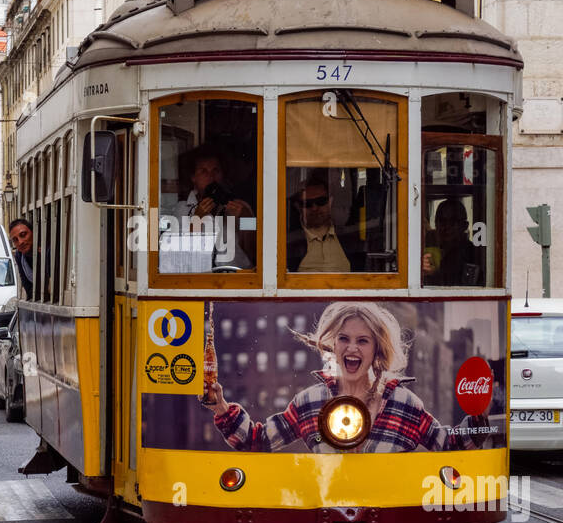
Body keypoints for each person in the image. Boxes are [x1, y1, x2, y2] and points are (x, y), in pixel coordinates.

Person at [208, 301, 491, 454]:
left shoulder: (406, 405)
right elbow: (257, 441)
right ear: (334, 345)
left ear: (377, 349)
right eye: (344, 339)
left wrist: (480, 414)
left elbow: (448, 444)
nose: (352, 347)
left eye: (363, 341)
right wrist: (220, 406)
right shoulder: (310, 402)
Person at [162, 146, 255, 271]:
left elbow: (254, 251)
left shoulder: (241, 206)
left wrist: (246, 217)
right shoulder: (182, 209)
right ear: (193, 177)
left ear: (222, 175)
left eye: (216, 170)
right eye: (204, 171)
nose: (211, 176)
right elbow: (178, 256)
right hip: (200, 281)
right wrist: (197, 218)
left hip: (237, 279)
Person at [286, 172, 365, 273]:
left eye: (321, 201)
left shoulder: (349, 237)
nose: (315, 208)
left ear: (330, 201)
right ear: (298, 207)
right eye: (308, 204)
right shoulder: (288, 243)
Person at [422, 199, 485, 286]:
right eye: (442, 221)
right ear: (436, 224)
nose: (447, 227)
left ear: (464, 225)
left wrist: (433, 274)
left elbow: (463, 290)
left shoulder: (471, 254)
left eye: (453, 222)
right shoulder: (432, 249)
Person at [9, 218, 34, 298]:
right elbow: (28, 288)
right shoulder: (19, 256)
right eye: (15, 240)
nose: (20, 242)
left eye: (23, 235)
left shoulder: (47, 251)